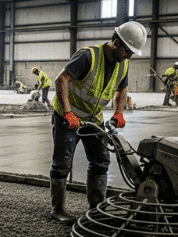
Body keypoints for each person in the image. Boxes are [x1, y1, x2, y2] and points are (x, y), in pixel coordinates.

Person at [50, 21, 147, 223]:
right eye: (127, 51)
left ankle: (96, 209)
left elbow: (122, 89)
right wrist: (68, 113)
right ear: (116, 42)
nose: (128, 56)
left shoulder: (123, 64)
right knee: (62, 164)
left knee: (101, 160)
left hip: (94, 120)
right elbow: (61, 80)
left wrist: (119, 112)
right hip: (68, 117)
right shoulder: (88, 56)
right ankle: (57, 210)